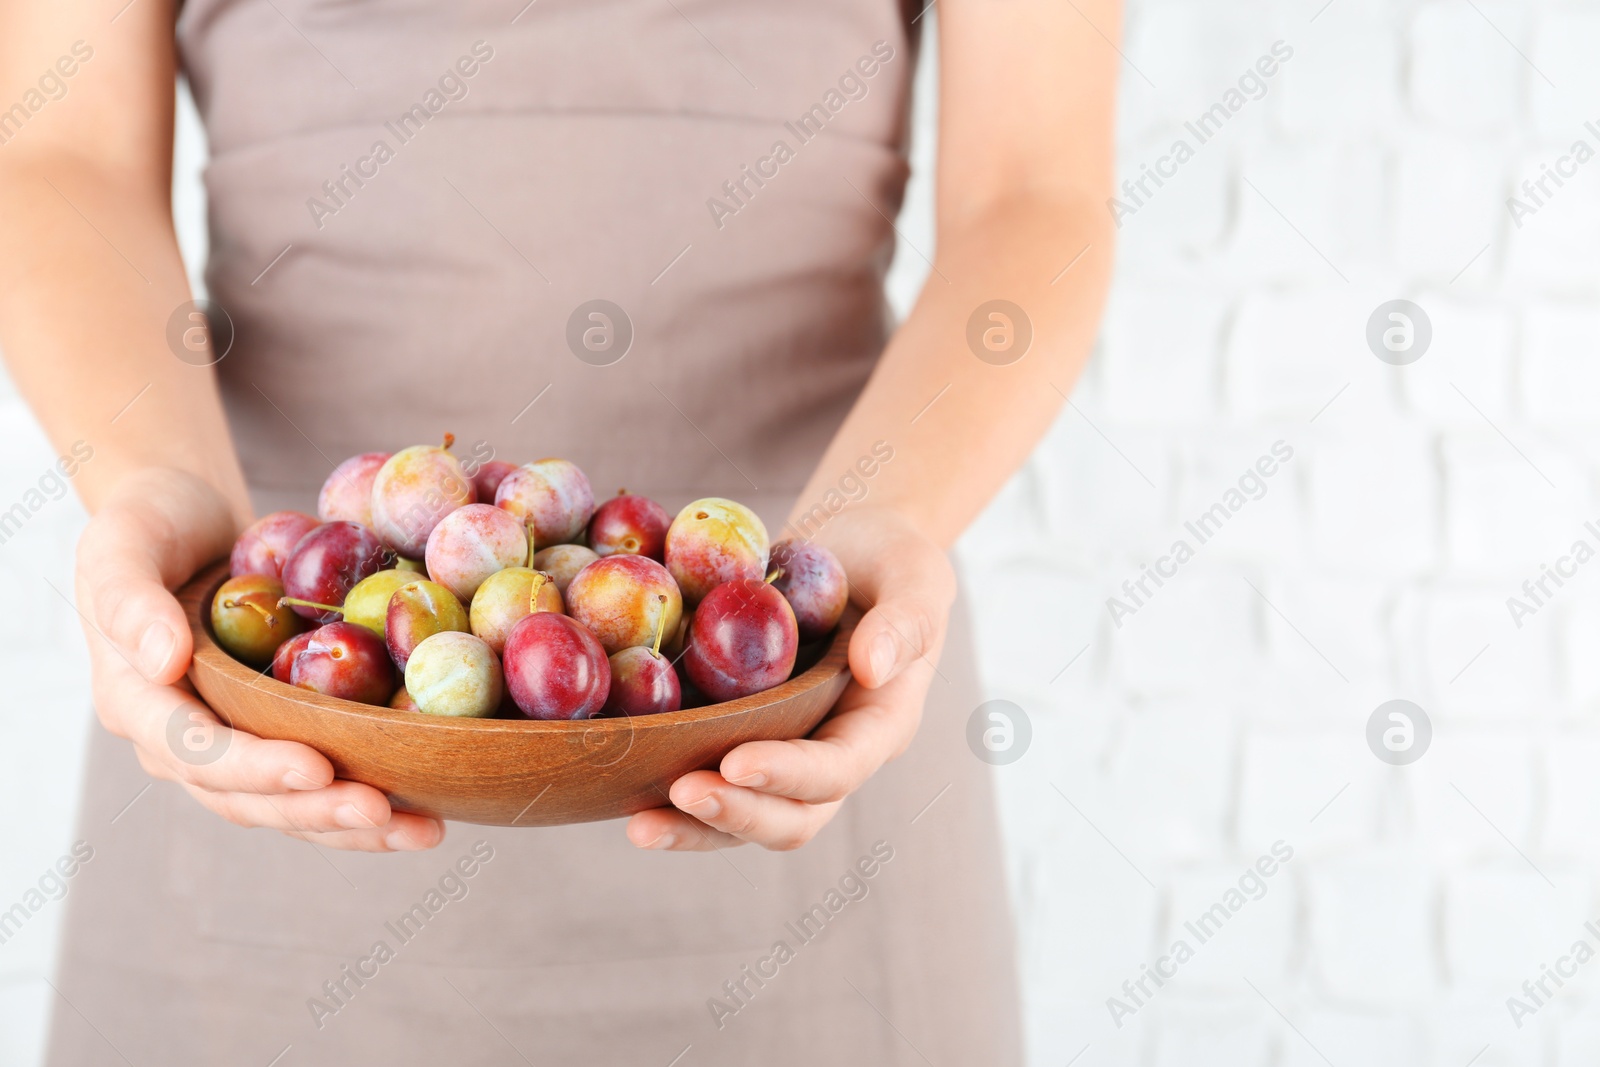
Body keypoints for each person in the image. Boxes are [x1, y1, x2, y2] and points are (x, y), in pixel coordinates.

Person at [0, 0, 1116, 1062]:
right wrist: (158, 483)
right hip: (278, 706)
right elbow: (62, 151)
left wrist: (887, 517)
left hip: (801, 694)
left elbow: (1032, 188)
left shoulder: (802, 625)